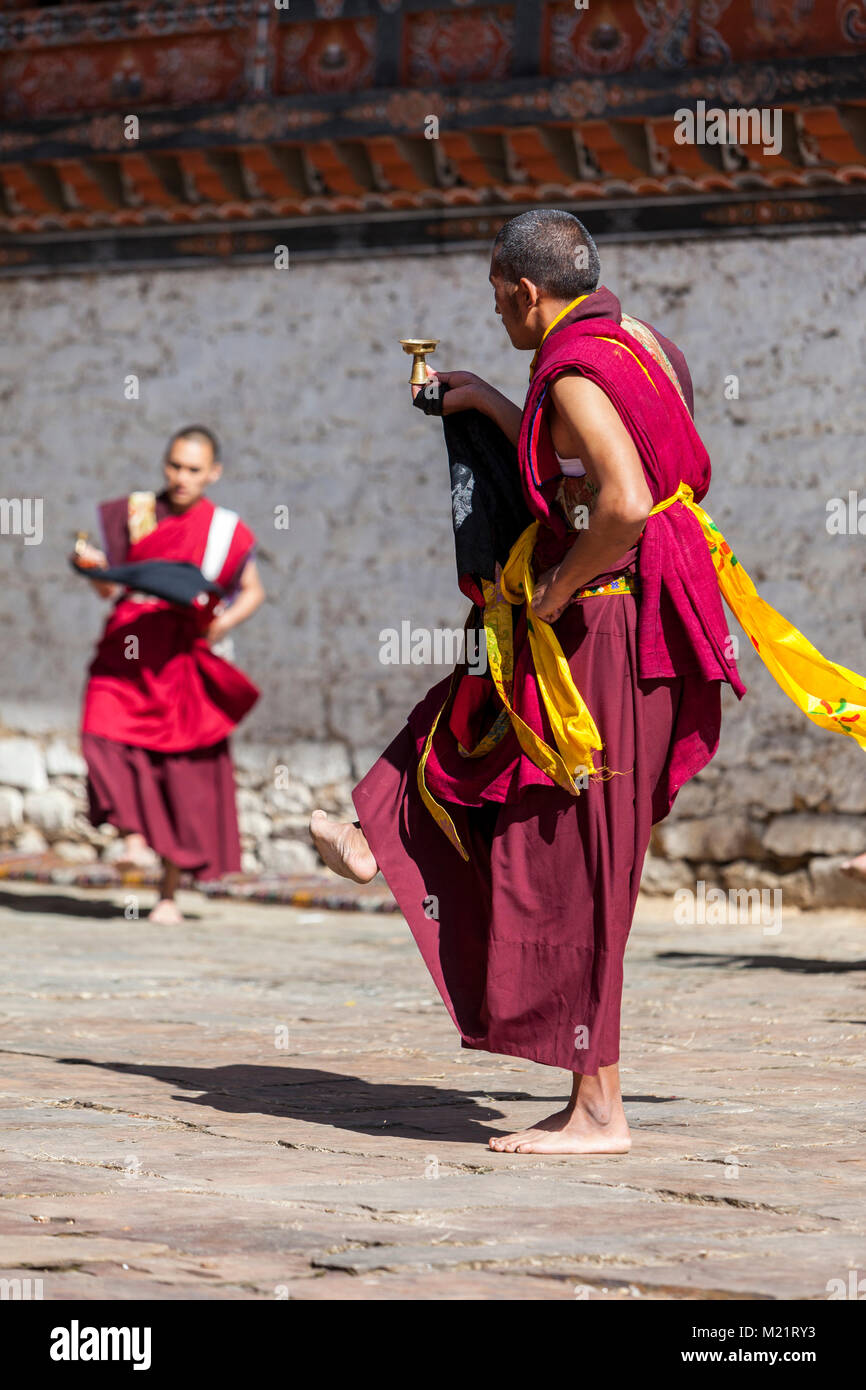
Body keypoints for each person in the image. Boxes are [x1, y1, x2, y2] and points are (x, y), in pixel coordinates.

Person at [311, 208, 866, 1155]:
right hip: (645, 611)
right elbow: (638, 455)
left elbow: (625, 499)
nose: (496, 313)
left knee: (579, 849)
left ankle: (599, 1110)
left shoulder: (570, 374)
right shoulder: (634, 342)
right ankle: (382, 836)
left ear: (525, 289)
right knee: (493, 736)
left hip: (608, 620)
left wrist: (561, 584)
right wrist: (489, 402)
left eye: (497, 296)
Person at [77, 425, 265, 924]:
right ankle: (133, 837)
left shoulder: (224, 528)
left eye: (193, 469)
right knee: (99, 734)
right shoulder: (134, 513)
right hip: (128, 648)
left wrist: (218, 625)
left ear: (213, 473)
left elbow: (252, 590)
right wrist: (94, 568)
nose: (181, 478)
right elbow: (109, 587)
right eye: (175, 466)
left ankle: (166, 896)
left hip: (180, 654)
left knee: (177, 771)